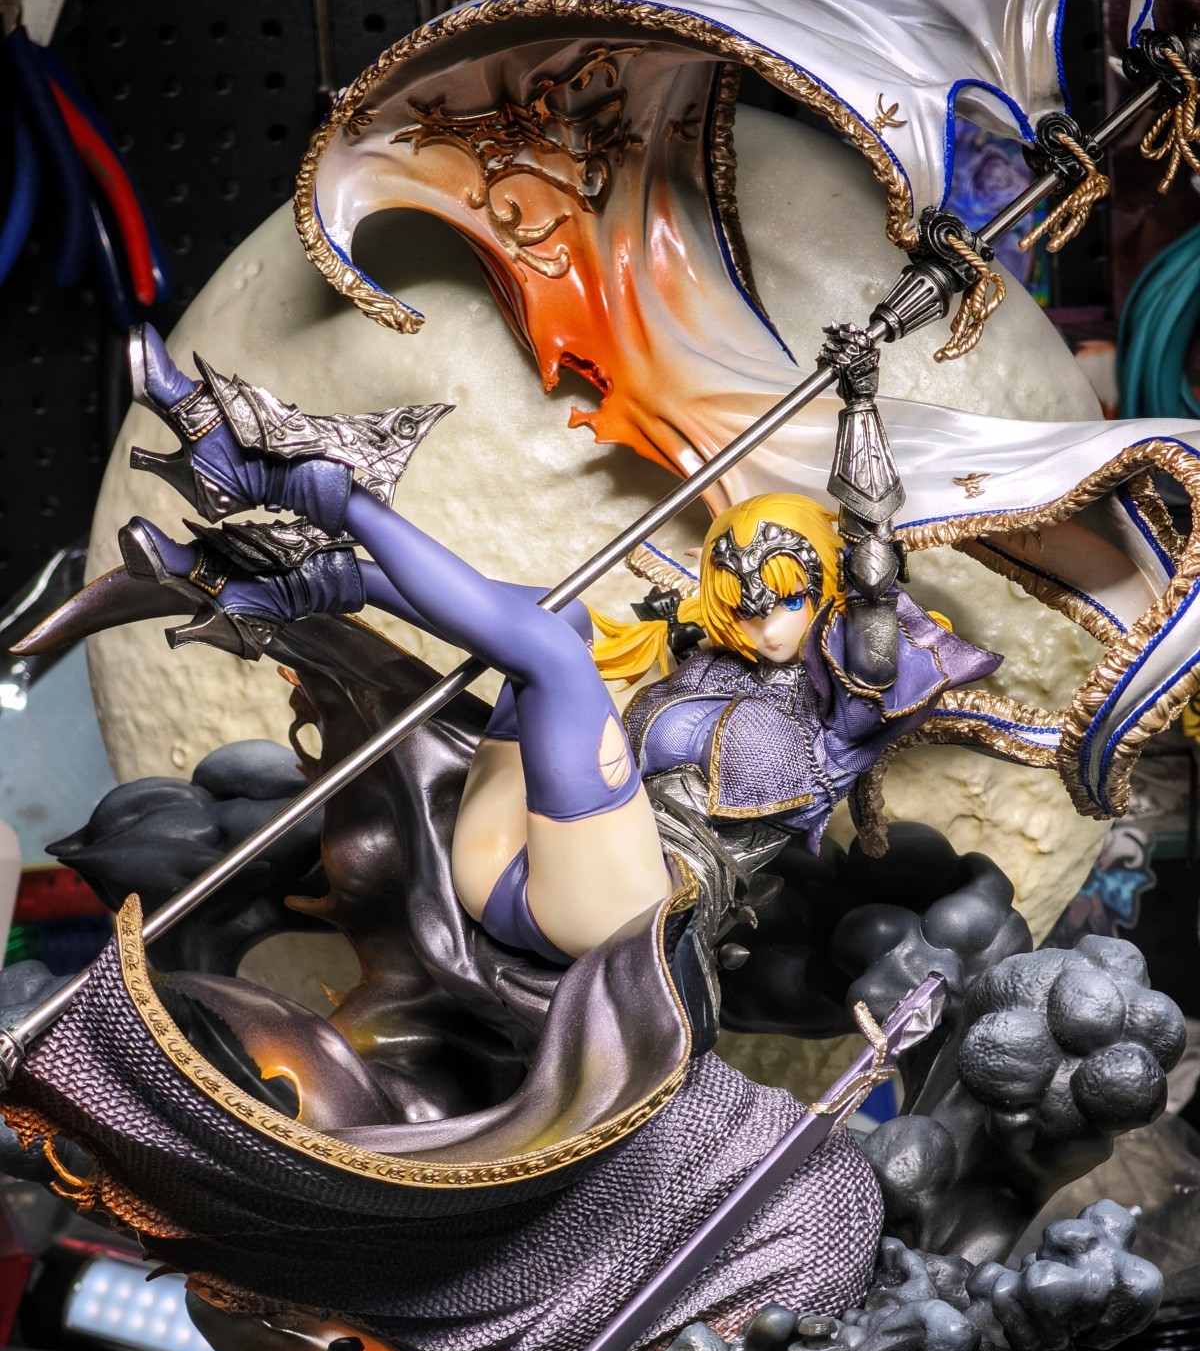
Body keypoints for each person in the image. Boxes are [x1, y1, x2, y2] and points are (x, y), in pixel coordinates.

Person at [124, 329, 999, 967]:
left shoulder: (850, 704)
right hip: (513, 856)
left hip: (621, 911)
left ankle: (303, 486)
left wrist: (860, 401)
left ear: (826, 590)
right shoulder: (711, 668)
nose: (769, 626)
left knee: (549, 653)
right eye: (747, 604)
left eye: (790, 600)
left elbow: (873, 563)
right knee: (564, 618)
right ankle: (294, 585)